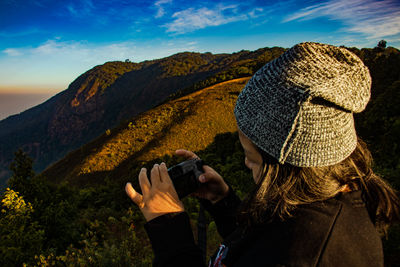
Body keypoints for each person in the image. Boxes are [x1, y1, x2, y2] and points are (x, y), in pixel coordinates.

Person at [125, 42, 400, 266]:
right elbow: (259, 246)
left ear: (287, 165)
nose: (245, 163)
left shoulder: (305, 255)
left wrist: (171, 235)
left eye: (251, 157)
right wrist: (224, 203)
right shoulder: (316, 204)